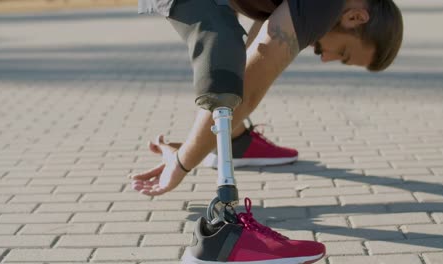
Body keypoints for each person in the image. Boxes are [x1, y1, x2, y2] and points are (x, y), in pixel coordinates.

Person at [131, 0, 403, 197]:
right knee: (221, 46)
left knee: (229, 67)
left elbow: (246, 67)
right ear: (356, 17)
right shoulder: (325, 5)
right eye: (342, 52)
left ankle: (236, 141)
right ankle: (221, 231)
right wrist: (181, 164)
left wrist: (201, 141)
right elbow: (247, 91)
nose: (325, 58)